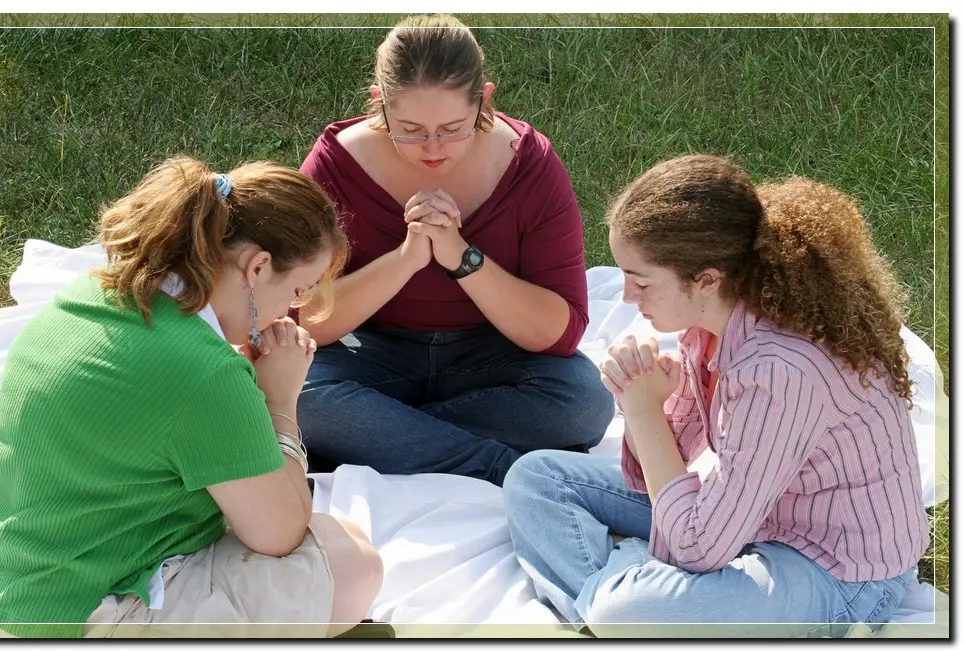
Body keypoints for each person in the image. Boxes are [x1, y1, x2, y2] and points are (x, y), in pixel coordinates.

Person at [0, 156, 383, 638]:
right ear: (258, 267)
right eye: (298, 290)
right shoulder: (205, 372)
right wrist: (279, 402)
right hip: (75, 611)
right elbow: (278, 533)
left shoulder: (96, 291)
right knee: (352, 562)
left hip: (3, 569)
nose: (292, 310)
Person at [502, 154, 930, 636]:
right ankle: (622, 595)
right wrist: (652, 408)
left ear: (707, 279)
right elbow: (666, 475)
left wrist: (642, 412)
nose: (624, 297)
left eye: (641, 281)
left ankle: (614, 603)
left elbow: (694, 548)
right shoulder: (707, 329)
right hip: (749, 518)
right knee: (536, 478)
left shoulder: (778, 373)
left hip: (838, 571)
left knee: (625, 612)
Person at [295, 14, 614, 486]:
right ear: (378, 104)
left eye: (452, 128)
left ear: (483, 99)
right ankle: (497, 466)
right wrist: (406, 259)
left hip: (491, 354)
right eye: (409, 128)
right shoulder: (336, 166)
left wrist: (462, 257)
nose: (432, 148)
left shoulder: (531, 165)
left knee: (585, 401)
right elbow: (301, 317)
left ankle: (379, 432)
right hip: (371, 350)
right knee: (296, 393)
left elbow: (559, 334)